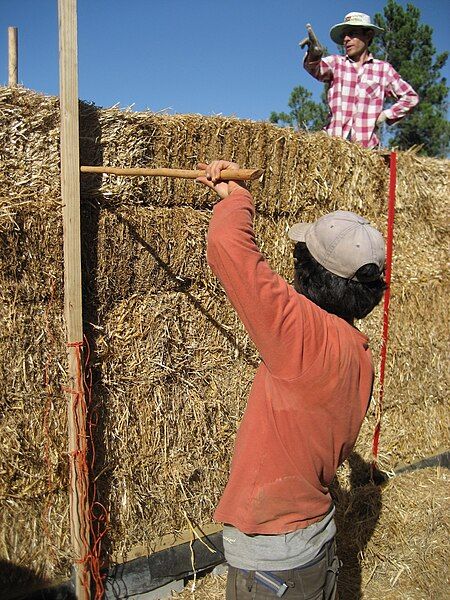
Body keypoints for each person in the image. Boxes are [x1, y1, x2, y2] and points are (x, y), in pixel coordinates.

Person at [196, 159, 387, 599]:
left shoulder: (301, 334)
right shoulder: (359, 356)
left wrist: (239, 197)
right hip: (314, 547)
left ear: (306, 270)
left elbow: (228, 246)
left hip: (274, 567)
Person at [300, 11, 419, 148]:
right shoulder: (336, 64)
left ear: (368, 35)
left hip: (366, 151)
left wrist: (387, 114)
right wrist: (314, 54)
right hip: (332, 148)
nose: (345, 39)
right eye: (344, 35)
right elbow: (315, 68)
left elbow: (410, 97)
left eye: (352, 33)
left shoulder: (383, 70)